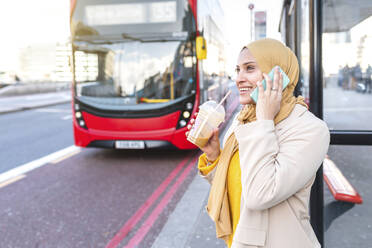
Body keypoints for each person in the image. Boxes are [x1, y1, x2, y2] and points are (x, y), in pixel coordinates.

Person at [187, 38, 330, 248]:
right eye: (237, 70)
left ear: (278, 74)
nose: (239, 78)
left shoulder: (310, 129)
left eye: (250, 68)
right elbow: (239, 186)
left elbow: (259, 195)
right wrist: (214, 156)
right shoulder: (243, 118)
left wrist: (265, 121)